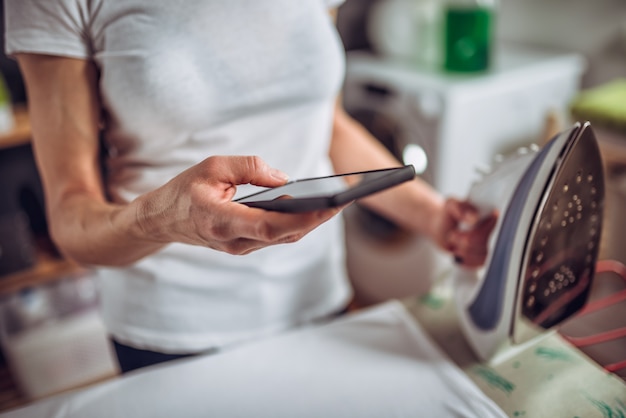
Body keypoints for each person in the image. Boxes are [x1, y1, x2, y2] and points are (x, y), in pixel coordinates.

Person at [4, 0, 497, 373]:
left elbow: (326, 123)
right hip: (173, 330)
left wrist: (434, 217)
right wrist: (162, 217)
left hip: (319, 297)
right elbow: (70, 218)